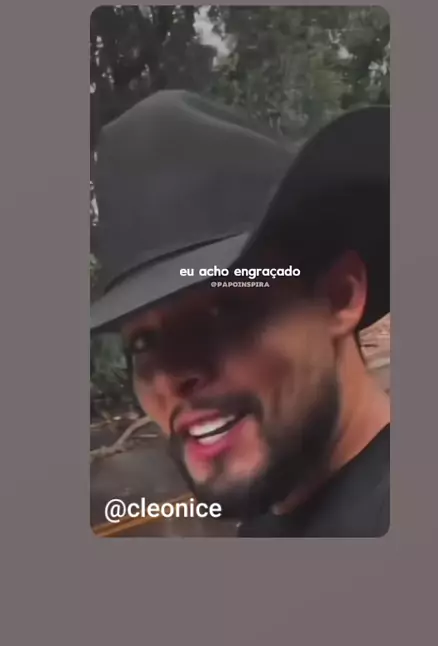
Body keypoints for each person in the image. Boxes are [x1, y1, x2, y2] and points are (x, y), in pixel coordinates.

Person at [91, 90, 390, 537]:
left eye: (221, 312)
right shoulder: (263, 525)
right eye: (143, 342)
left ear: (339, 296)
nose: (171, 376)